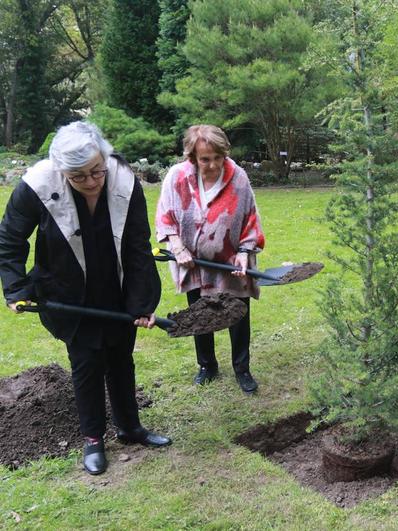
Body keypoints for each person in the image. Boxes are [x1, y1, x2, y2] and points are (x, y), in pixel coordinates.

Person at [0, 121, 171, 476]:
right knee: (87, 363)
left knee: (121, 358)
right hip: (66, 292)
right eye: (79, 177)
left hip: (116, 286)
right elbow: (10, 241)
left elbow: (139, 246)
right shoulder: (37, 185)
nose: (92, 182)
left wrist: (140, 304)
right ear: (62, 171)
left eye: (97, 172)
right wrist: (15, 289)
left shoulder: (123, 179)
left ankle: (130, 427)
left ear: (105, 158)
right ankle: (93, 438)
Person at [155, 125, 265, 394]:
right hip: (193, 263)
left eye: (218, 157)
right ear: (192, 156)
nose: (213, 164)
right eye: (205, 159)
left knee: (238, 314)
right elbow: (165, 216)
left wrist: (244, 252)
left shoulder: (237, 177)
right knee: (199, 315)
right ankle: (207, 365)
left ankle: (242, 368)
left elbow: (251, 217)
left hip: (231, 263)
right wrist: (177, 247)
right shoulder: (177, 177)